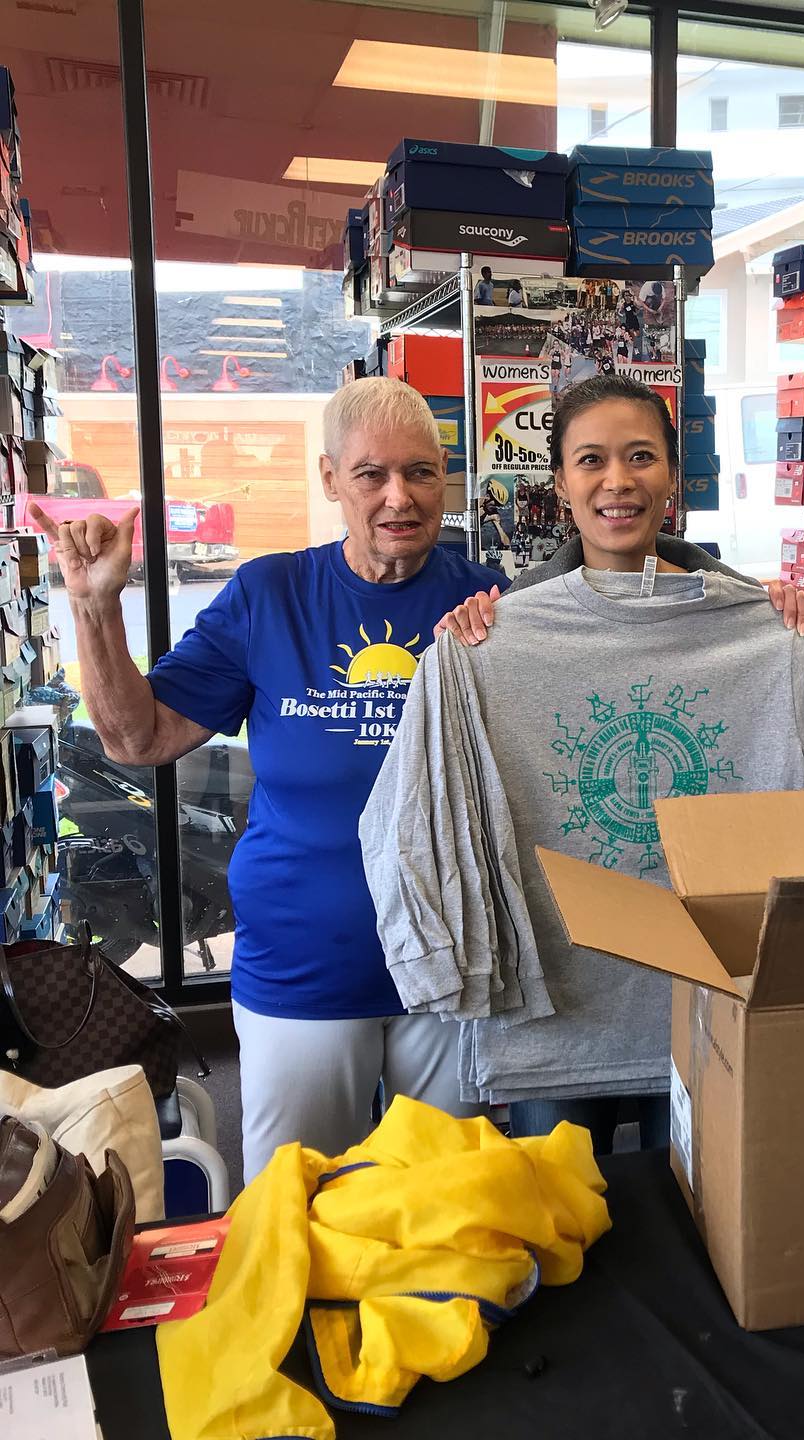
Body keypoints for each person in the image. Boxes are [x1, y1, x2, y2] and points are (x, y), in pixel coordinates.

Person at [361, 374, 804, 1155]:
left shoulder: (775, 630)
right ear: (561, 483)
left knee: (687, 1214)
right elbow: (404, 821)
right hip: (557, 1017)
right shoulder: (483, 642)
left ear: (673, 475)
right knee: (562, 1215)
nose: (617, 480)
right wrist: (439, 962)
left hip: (715, 1003)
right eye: (591, 460)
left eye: (641, 456)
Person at [35, 377, 516, 1183]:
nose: (398, 497)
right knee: (295, 1208)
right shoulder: (270, 594)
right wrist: (94, 607)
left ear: (445, 480)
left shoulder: (488, 605)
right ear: (330, 479)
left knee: (446, 1210)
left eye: (421, 473)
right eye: (371, 475)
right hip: (304, 965)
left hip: (452, 966)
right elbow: (137, 738)